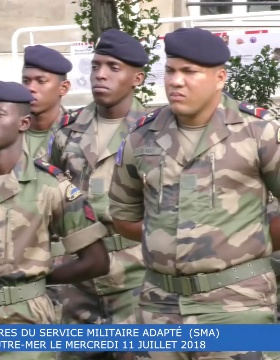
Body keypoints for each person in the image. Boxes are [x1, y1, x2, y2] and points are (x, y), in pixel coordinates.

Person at [109, 27, 280, 360]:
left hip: (236, 305)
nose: (175, 81)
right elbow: (124, 214)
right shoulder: (142, 137)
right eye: (170, 70)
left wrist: (251, 239)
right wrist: (168, 238)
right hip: (160, 307)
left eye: (189, 72)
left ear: (219, 78)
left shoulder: (259, 133)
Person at [0, 78, 110, 360]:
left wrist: (34, 277)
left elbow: (97, 260)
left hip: (28, 324)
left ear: (24, 123)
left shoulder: (51, 186)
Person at [49, 29, 148, 360]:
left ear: (138, 78)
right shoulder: (67, 132)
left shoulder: (157, 132)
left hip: (136, 281)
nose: (100, 75)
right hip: (78, 282)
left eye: (113, 68)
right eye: (96, 66)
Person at [21, 43, 75, 328]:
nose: (32, 88)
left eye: (41, 81)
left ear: (63, 88)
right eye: (26, 81)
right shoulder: (9, 137)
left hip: (68, 269)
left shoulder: (79, 135)